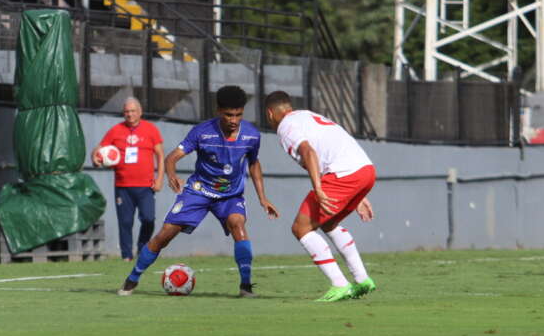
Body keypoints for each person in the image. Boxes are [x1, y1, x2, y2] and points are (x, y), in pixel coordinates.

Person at [118, 85, 279, 297]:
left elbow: (254, 164)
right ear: (219, 111)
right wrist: (172, 174)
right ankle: (132, 279)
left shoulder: (251, 135)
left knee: (237, 225)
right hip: (198, 191)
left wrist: (262, 198)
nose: (233, 120)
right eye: (229, 114)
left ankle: (246, 286)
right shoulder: (202, 132)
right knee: (165, 235)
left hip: (230, 195)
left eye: (238, 115)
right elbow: (171, 157)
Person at [264, 91, 377, 302]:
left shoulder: (285, 126)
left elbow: (309, 152)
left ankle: (340, 284)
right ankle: (362, 280)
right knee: (329, 223)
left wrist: (318, 187)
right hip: (365, 169)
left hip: (344, 174)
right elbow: (331, 147)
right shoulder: (307, 116)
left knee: (301, 228)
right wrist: (358, 194)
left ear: (270, 113)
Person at [92, 97, 164, 261]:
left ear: (140, 112)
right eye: (126, 112)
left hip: (146, 186)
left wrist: (159, 179)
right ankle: (126, 256)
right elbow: (99, 149)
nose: (129, 114)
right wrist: (94, 157)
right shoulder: (115, 130)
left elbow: (160, 155)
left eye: (132, 111)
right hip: (123, 186)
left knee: (148, 218)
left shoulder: (151, 129)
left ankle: (142, 248)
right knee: (125, 222)